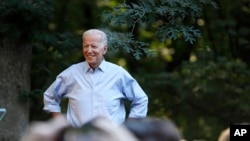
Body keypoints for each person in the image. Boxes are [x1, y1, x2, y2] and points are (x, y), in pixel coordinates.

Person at [43, 29, 148, 127]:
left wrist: (130, 128)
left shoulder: (118, 74)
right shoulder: (72, 73)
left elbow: (141, 100)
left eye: (93, 46)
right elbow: (50, 97)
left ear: (104, 49)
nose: (89, 50)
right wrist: (60, 123)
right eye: (85, 46)